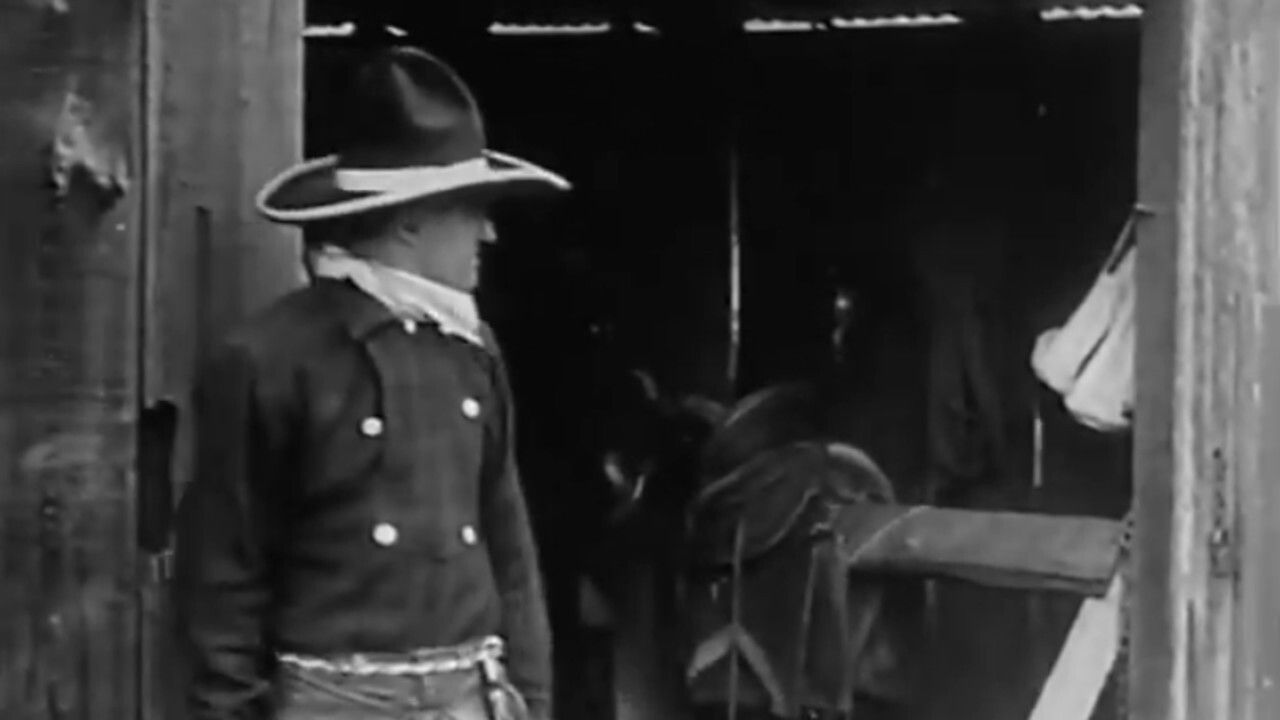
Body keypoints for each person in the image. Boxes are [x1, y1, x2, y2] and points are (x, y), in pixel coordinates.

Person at [172, 46, 569, 720]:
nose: (490, 234)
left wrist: (531, 698)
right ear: (409, 222)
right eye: (472, 211)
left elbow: (510, 547)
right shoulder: (269, 358)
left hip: (472, 695)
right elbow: (223, 578)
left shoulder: (471, 350)